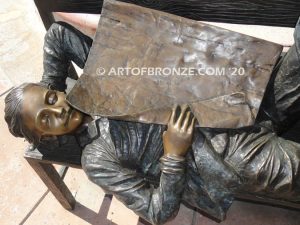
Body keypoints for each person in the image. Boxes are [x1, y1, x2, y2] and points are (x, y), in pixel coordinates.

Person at [4, 21, 300, 225]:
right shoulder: (97, 159)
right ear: (45, 136)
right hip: (225, 152)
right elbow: (157, 211)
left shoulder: (95, 79)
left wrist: (47, 88)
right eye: (46, 119)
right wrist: (174, 154)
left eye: (53, 100)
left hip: (236, 96)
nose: (58, 111)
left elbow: (58, 35)